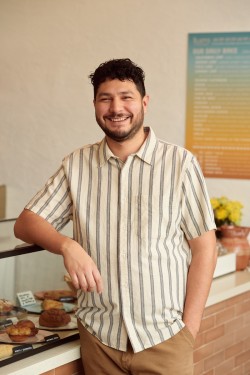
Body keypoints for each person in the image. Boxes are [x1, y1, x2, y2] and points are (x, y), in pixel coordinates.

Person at [14, 58, 217, 374]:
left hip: (165, 339)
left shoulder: (180, 164)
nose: (116, 107)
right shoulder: (77, 165)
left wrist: (188, 331)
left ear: (144, 103)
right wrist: (68, 246)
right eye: (105, 98)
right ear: (95, 105)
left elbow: (205, 248)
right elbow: (26, 223)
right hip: (100, 341)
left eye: (126, 97)